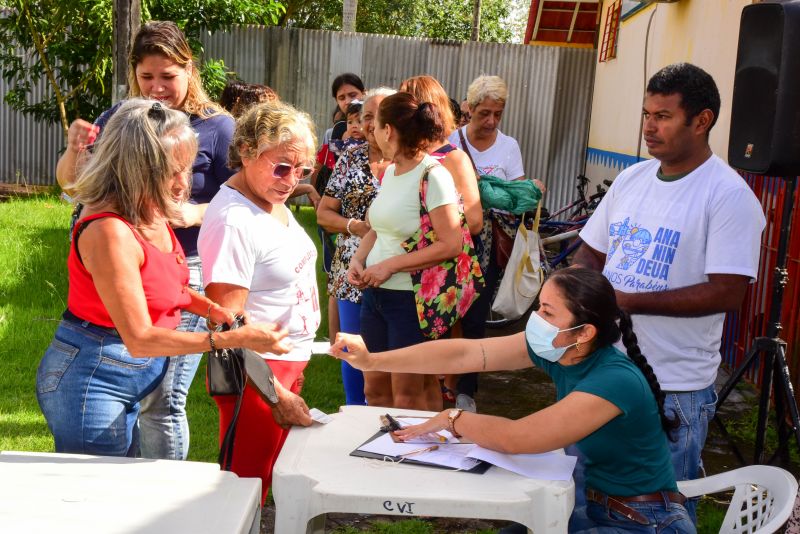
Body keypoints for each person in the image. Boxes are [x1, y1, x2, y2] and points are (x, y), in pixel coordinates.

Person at [331, 268, 695, 533]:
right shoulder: (560, 349)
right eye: (539, 306)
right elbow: (463, 356)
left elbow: (517, 438)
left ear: (584, 332)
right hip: (596, 505)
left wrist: (451, 418)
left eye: (548, 313)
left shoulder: (614, 380)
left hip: (645, 523)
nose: (536, 319)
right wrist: (373, 360)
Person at [37, 99, 291, 457]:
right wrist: (228, 339)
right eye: (172, 171)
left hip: (123, 374)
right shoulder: (109, 230)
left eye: (186, 168)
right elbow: (140, 338)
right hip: (91, 380)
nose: (182, 183)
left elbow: (170, 286)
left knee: (125, 488)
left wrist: (214, 311)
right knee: (96, 497)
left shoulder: (150, 211)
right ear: (133, 168)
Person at [574, 62, 766, 522]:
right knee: (582, 500)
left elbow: (726, 293)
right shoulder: (631, 179)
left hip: (673, 388)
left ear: (702, 121)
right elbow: (590, 254)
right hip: (602, 371)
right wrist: (578, 295)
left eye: (662, 116)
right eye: (646, 114)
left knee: (656, 514)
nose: (648, 127)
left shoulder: (728, 195)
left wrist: (626, 301)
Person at [54, 21, 236, 461]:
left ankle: (163, 497)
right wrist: (74, 151)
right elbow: (74, 187)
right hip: (119, 256)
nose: (156, 87)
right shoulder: (121, 118)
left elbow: (239, 201)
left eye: (167, 76)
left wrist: (194, 212)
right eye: (146, 76)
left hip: (180, 262)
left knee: (163, 397)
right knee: (129, 378)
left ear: (189, 70)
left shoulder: (217, 127)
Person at [198, 100, 318, 503]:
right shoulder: (235, 220)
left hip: (282, 366)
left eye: (302, 170)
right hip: (258, 377)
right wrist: (275, 393)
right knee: (243, 492)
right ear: (247, 151)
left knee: (264, 485)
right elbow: (226, 326)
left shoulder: (270, 198)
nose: (291, 180)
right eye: (282, 166)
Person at [347, 92, 463, 410]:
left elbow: (452, 243)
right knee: (375, 387)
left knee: (407, 394)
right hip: (375, 296)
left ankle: (411, 455)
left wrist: (391, 266)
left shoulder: (432, 175)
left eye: (377, 125)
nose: (372, 131)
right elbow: (378, 228)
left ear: (389, 131)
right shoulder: (390, 172)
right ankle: (378, 455)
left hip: (410, 301)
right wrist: (358, 260)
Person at [399, 75, 483, 411]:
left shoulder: (453, 158)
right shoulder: (401, 160)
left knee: (447, 342)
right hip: (409, 272)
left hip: (446, 270)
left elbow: (474, 221)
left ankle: (449, 392)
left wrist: (428, 229)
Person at [316, 88, 395, 406]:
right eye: (367, 117)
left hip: (397, 270)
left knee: (392, 355)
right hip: (352, 268)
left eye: (380, 116)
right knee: (353, 348)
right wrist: (355, 226)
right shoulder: (352, 156)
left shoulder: (411, 162)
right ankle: (353, 414)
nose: (372, 123)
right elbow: (323, 213)